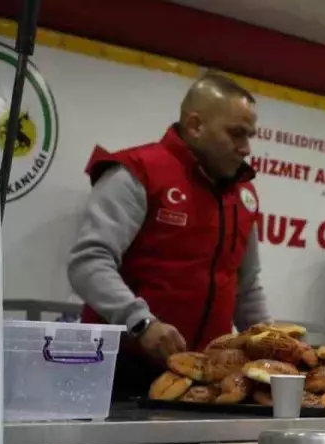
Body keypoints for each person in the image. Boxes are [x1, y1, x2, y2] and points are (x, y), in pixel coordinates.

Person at [67, 72, 269, 398]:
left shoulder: (243, 197)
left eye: (250, 136)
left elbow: (247, 291)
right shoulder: (137, 173)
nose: (245, 148)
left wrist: (273, 347)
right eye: (236, 134)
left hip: (204, 382)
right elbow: (88, 263)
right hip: (118, 371)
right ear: (195, 125)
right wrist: (141, 323)